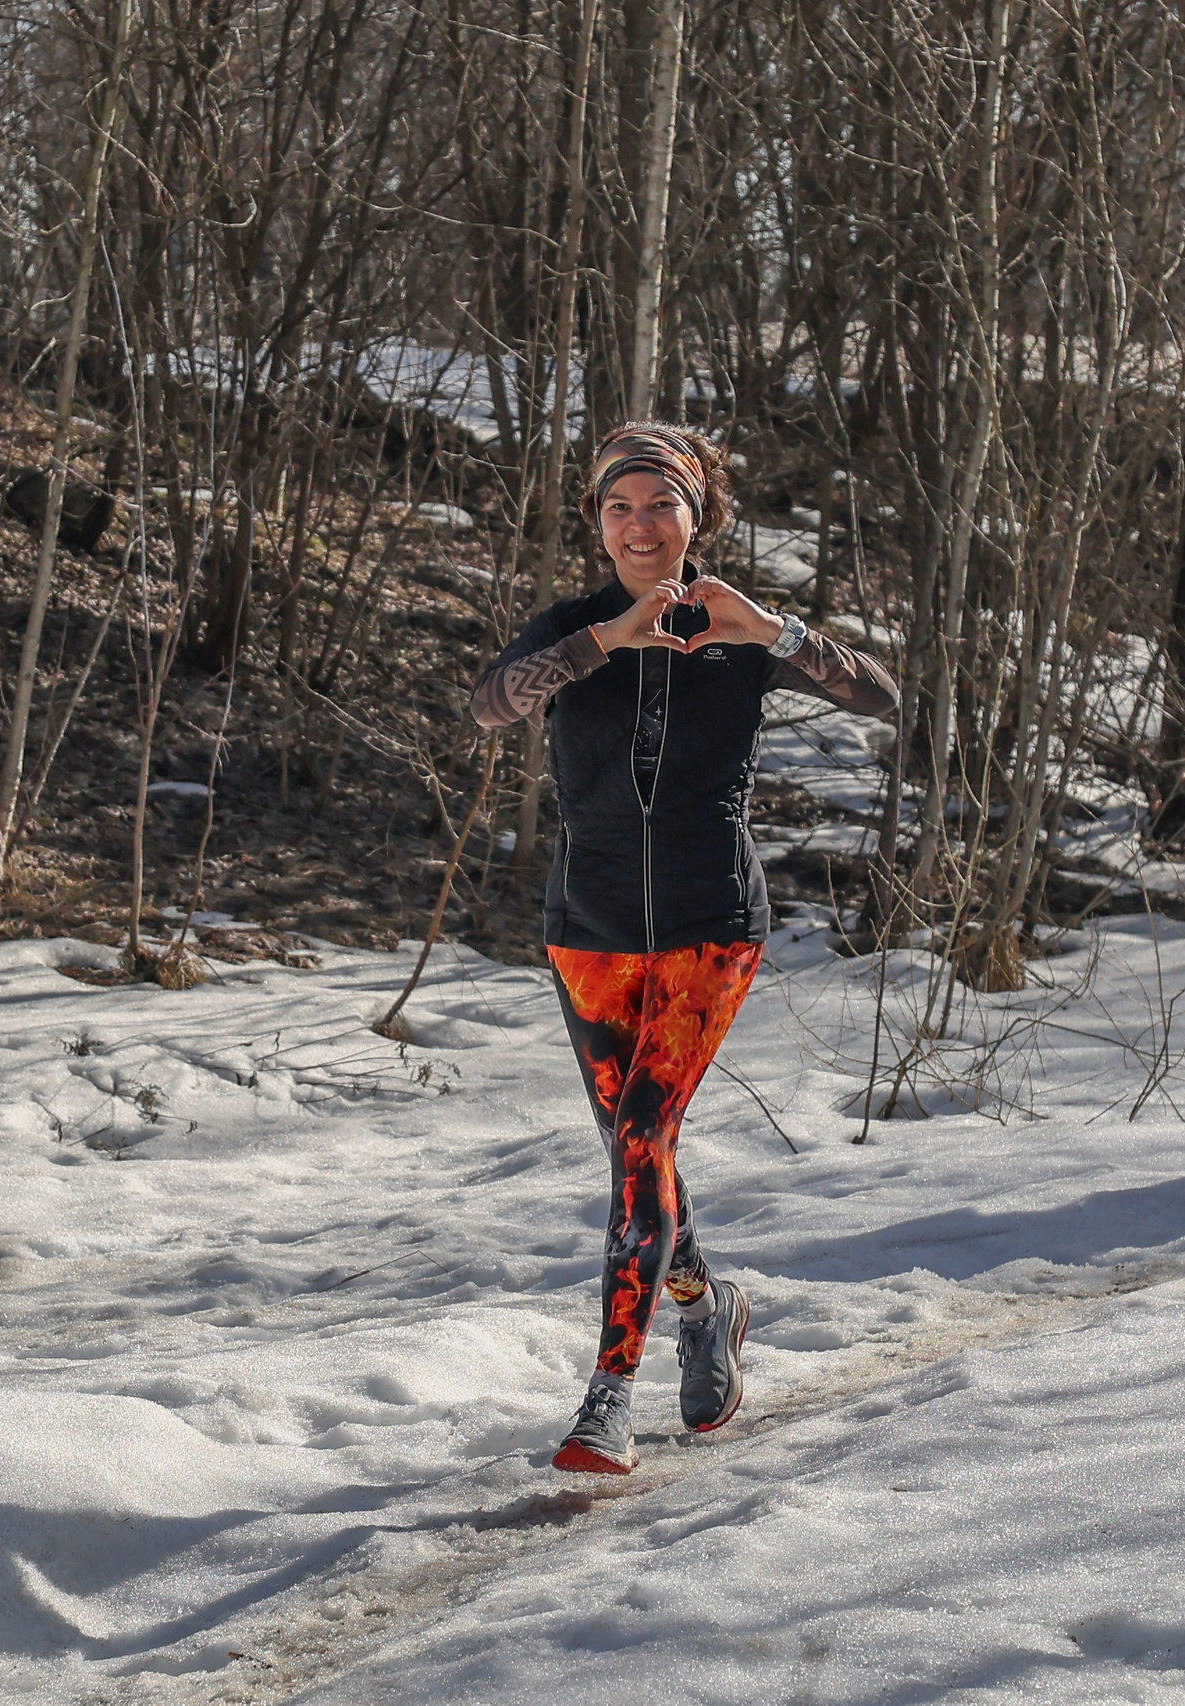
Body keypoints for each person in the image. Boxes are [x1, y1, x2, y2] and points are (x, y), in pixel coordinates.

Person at [471, 422, 898, 1473]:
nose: (639, 525)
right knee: (635, 1146)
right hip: (590, 925)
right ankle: (710, 1308)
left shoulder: (737, 627)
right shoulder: (573, 627)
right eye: (619, 507)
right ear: (597, 523)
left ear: (697, 516)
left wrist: (778, 631)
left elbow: (881, 697)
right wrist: (605, 644)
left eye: (661, 504)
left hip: (712, 924)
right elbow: (489, 705)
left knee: (643, 1133)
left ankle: (607, 1392)